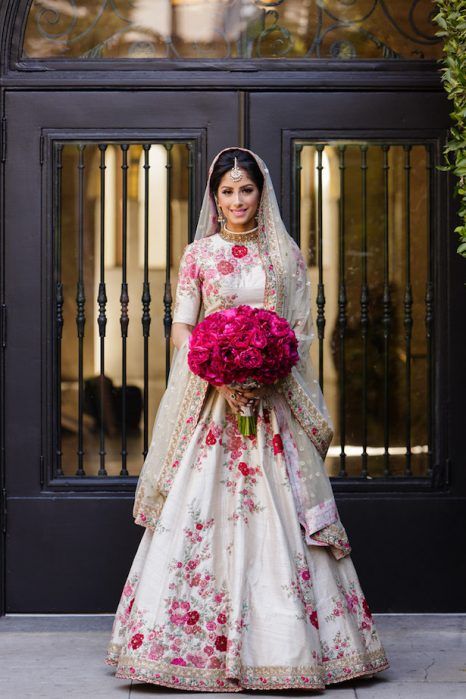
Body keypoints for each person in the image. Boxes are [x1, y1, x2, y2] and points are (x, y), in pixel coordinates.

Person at [105, 147, 390, 691]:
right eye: (227, 191)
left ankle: (291, 652)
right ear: (215, 197)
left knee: (281, 518)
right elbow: (183, 328)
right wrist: (221, 372)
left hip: (273, 402)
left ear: (262, 194)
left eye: (247, 190)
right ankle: (186, 651)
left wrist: (265, 370)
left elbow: (300, 330)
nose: (237, 201)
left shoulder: (284, 254)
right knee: (200, 513)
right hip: (214, 404)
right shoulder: (199, 255)